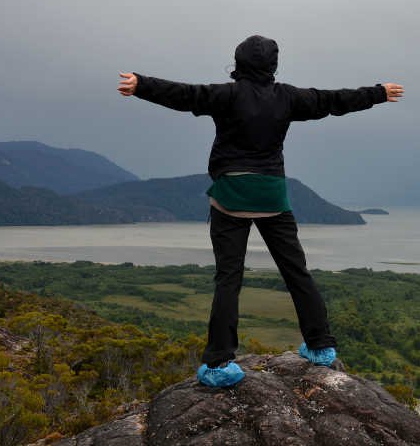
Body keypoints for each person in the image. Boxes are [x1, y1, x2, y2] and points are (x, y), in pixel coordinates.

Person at [117, 35, 403, 388]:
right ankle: (320, 346)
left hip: (231, 196)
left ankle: (220, 362)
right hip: (272, 195)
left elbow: (185, 95)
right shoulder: (288, 97)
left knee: (229, 278)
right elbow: (332, 100)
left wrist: (141, 84)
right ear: (273, 65)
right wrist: (378, 92)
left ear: (238, 62)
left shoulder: (227, 95)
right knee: (296, 271)